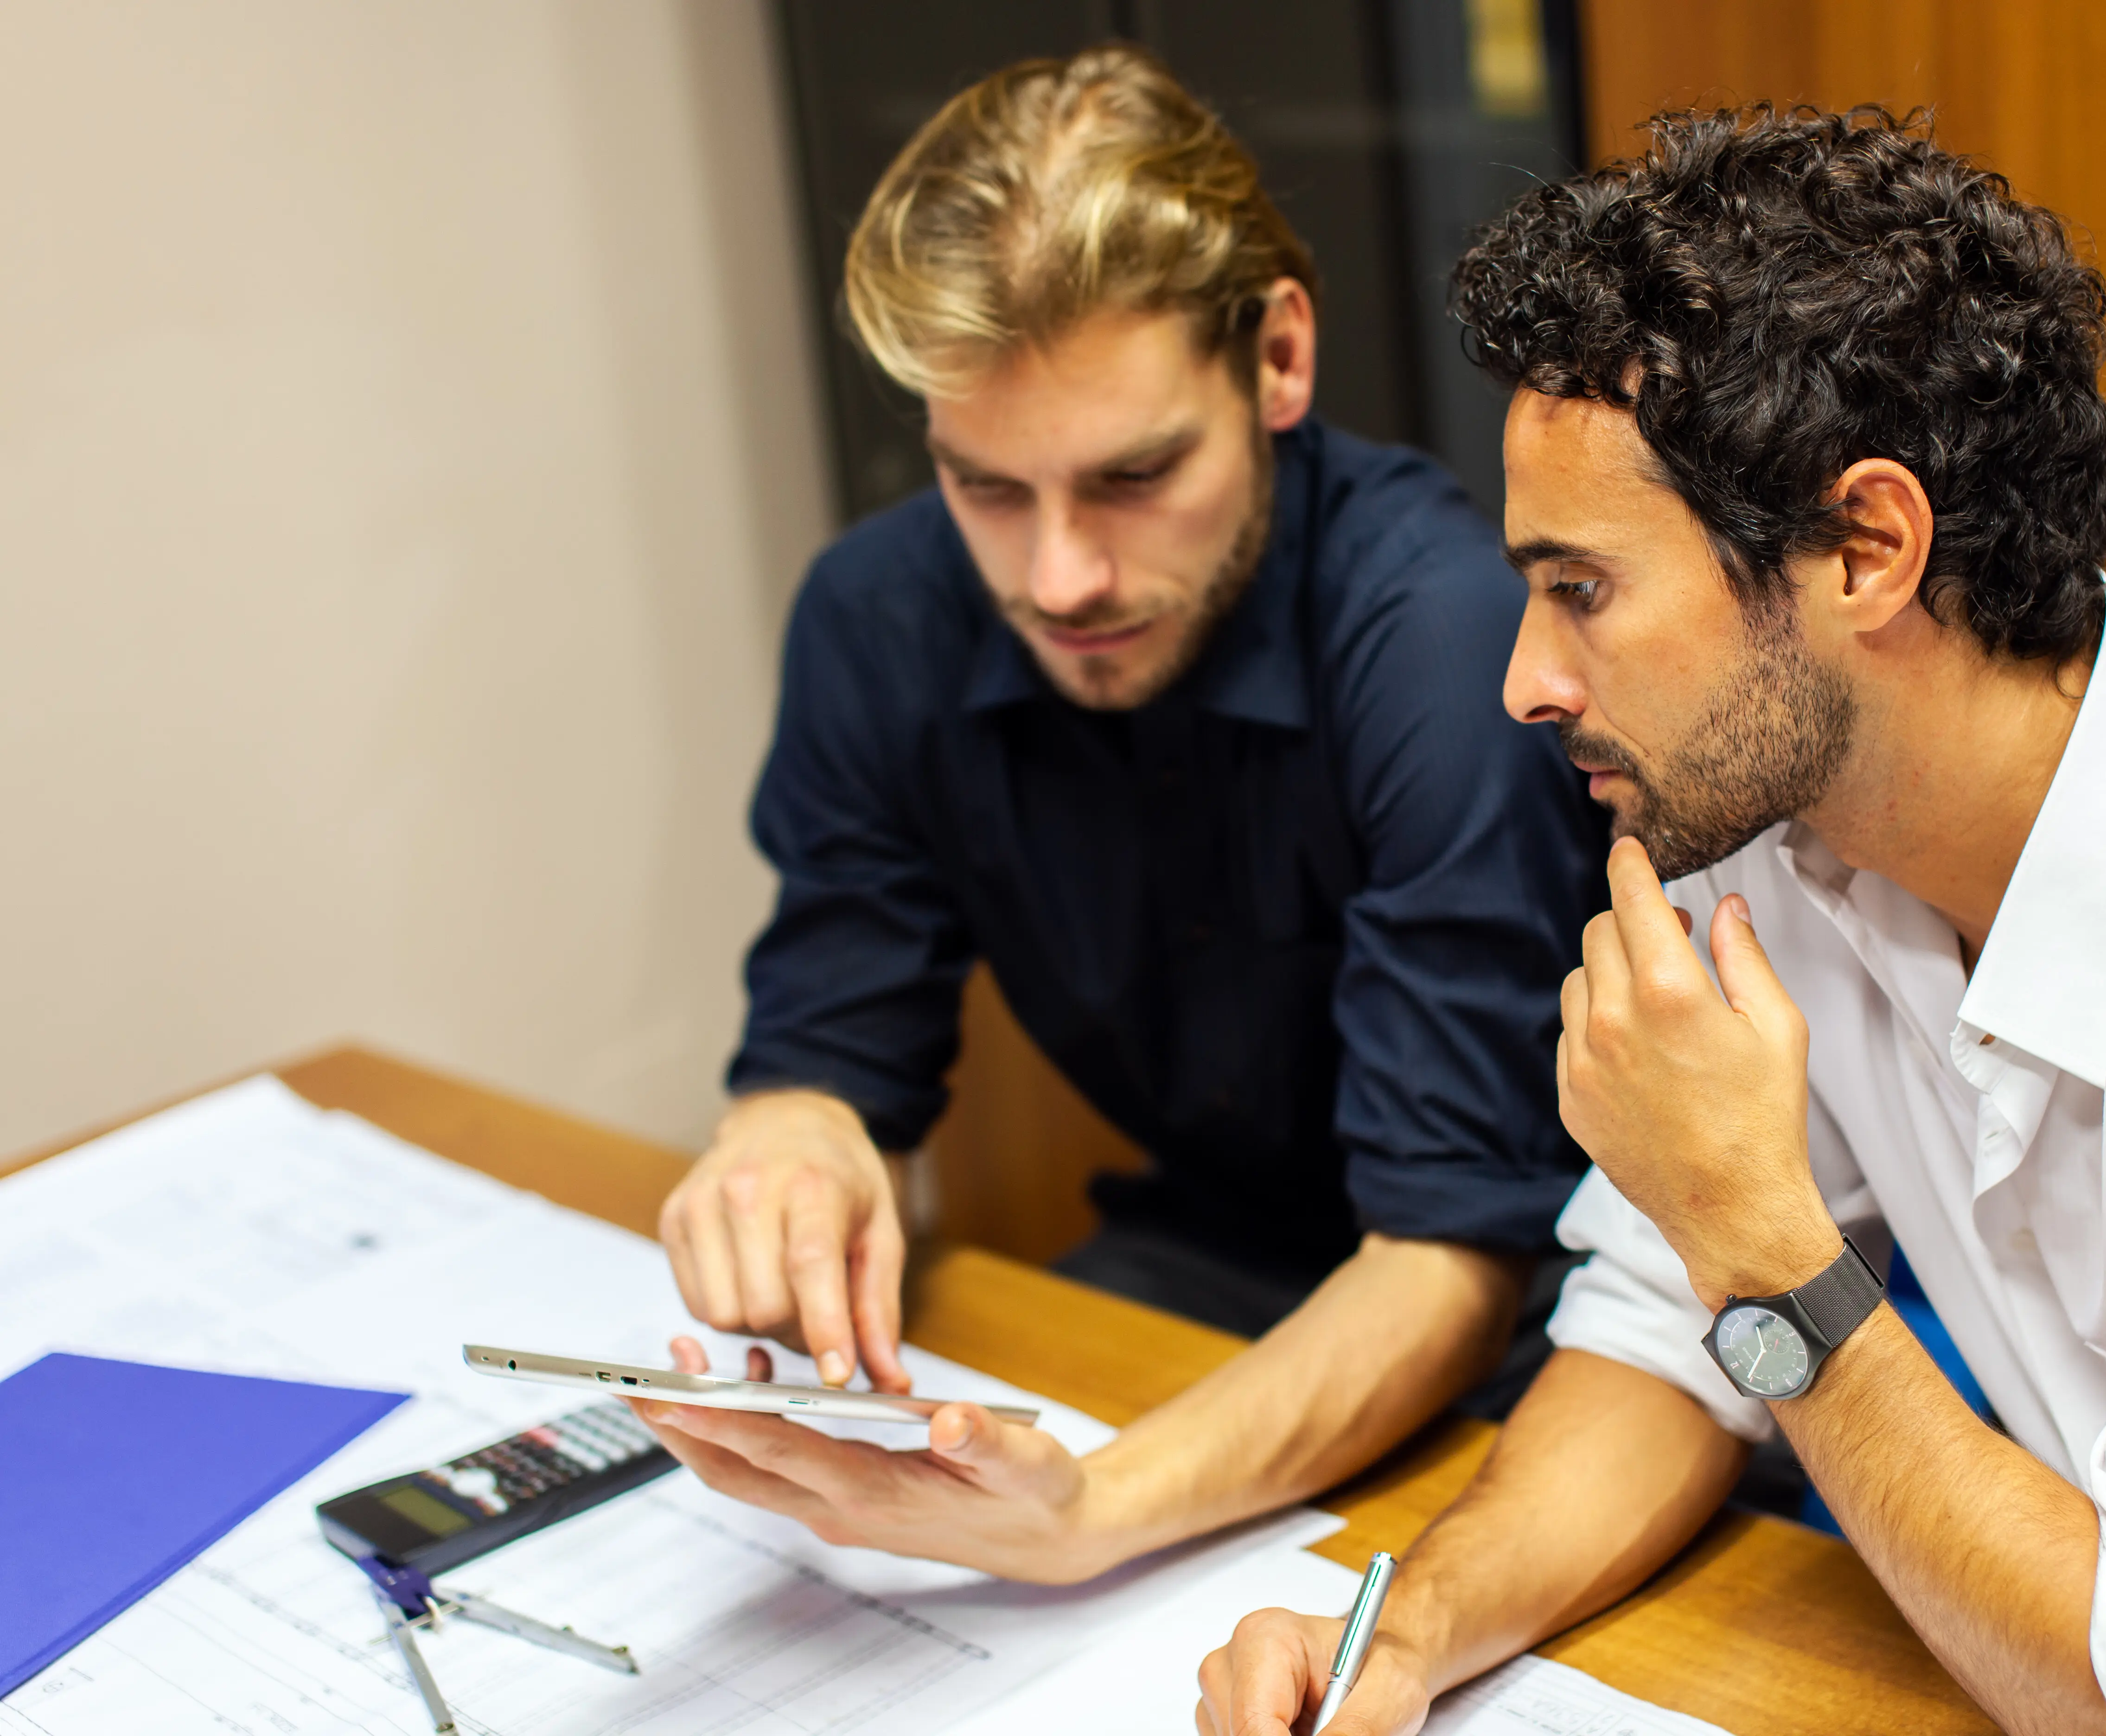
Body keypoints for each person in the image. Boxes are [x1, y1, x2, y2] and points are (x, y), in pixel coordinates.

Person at [1200, 106, 2106, 1736]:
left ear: (1867, 549)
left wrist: (1758, 1243)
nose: (1527, 682)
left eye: (1581, 588)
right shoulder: (1771, 824)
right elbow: (1669, 1339)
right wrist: (1413, 1636)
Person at [629, 45, 1609, 1586]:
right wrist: (794, 1135)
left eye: (1134, 475)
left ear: (1278, 359)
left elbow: (1455, 1260)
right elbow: (836, 1035)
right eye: (988, 489)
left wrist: (1089, 1515)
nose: (1060, 579)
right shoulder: (879, 617)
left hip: (1550, 1334)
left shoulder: (1443, 644)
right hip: (1191, 1272)